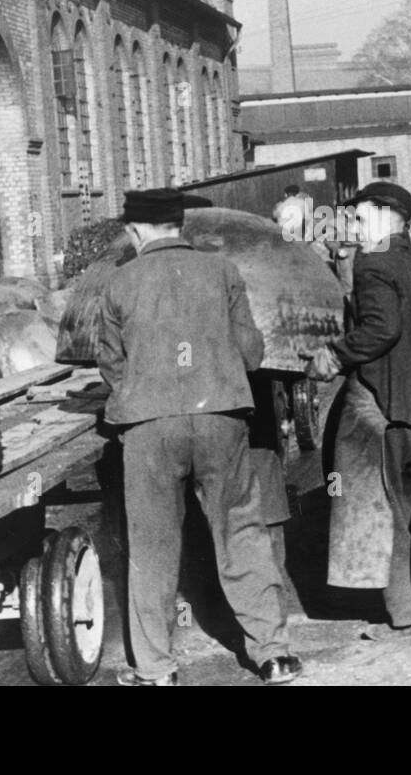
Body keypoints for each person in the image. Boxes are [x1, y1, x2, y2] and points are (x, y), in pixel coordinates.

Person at [99, 187, 301, 687]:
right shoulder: (223, 271)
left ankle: (158, 670)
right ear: (180, 226)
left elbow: (109, 363)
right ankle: (273, 656)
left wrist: (145, 391)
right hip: (222, 419)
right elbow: (252, 354)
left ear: (137, 231)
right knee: (240, 532)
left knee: (152, 547)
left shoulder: (119, 283)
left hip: (149, 427)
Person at [304, 181, 411, 636]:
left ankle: (405, 613)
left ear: (389, 217)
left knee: (390, 512)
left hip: (384, 403)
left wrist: (334, 354)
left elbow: (381, 329)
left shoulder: (375, 261)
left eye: (362, 219)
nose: (355, 228)